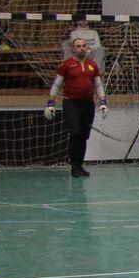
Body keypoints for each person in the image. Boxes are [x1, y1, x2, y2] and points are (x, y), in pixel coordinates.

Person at [44, 37, 107, 177]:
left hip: (88, 104)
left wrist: (103, 101)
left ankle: (80, 165)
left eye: (84, 46)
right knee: (75, 133)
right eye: (78, 46)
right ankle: (73, 166)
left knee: (84, 136)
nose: (82, 48)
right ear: (73, 48)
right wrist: (50, 103)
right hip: (71, 103)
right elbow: (56, 85)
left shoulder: (92, 65)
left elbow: (98, 85)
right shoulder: (66, 65)